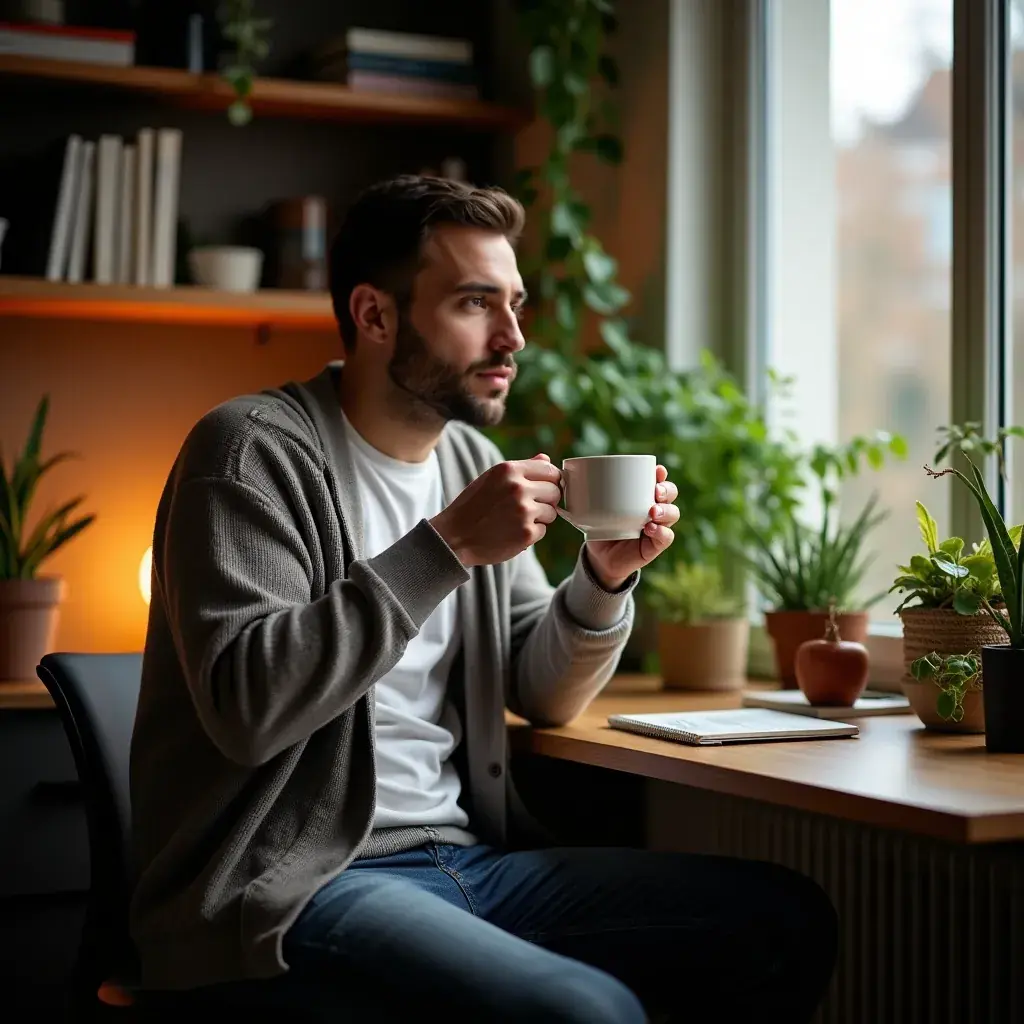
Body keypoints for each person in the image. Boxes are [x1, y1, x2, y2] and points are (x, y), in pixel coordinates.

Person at [129, 174, 838, 1023]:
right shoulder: (250, 452)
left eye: (516, 304)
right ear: (375, 315)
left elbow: (540, 690)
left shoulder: (466, 460)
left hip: (466, 862)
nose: (512, 338)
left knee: (783, 921)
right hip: (290, 884)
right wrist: (449, 546)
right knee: (582, 1009)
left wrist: (604, 578)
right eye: (475, 303)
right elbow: (248, 707)